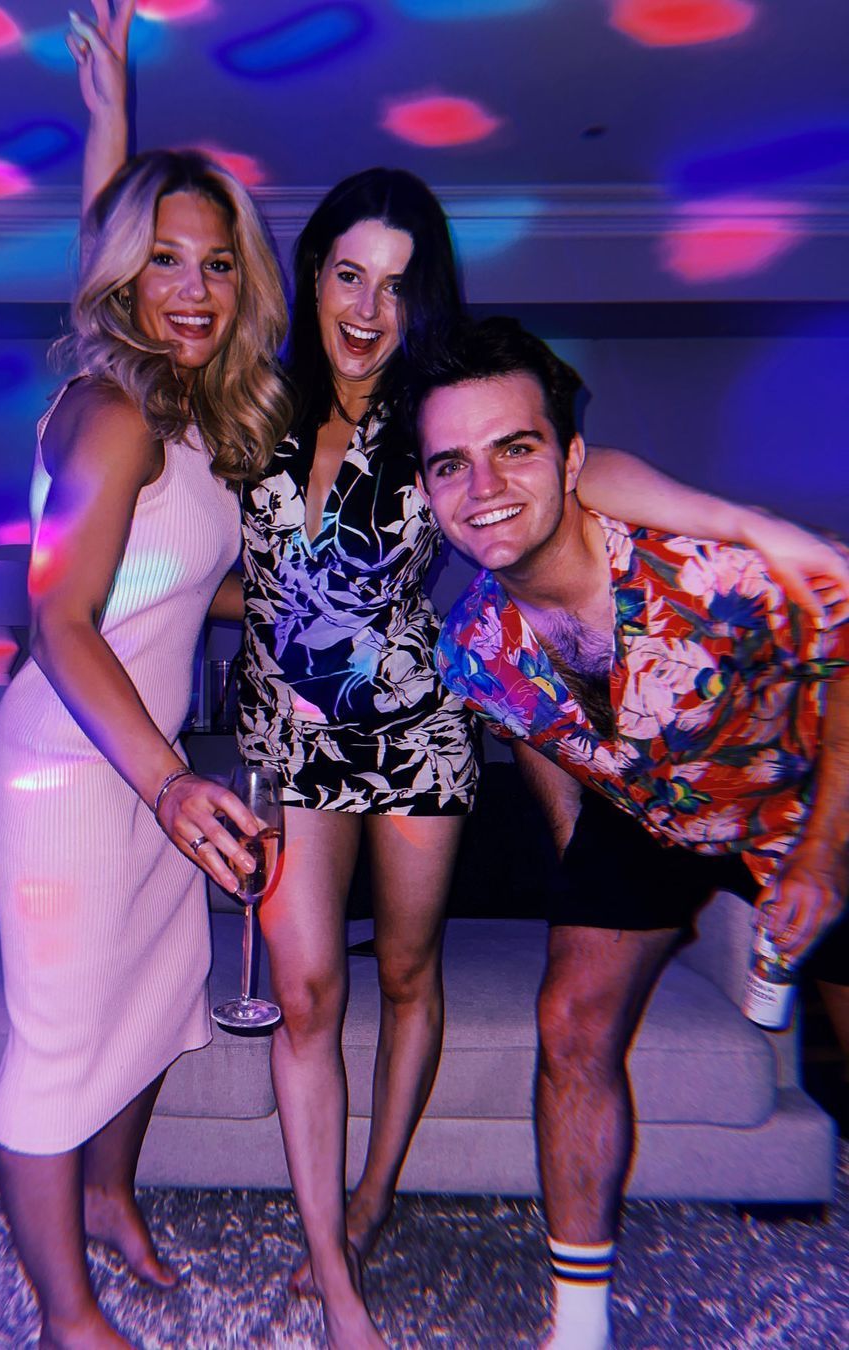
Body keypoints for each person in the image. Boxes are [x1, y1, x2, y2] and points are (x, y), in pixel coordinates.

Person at [68, 9, 849, 1348]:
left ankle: (377, 1188)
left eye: (397, 283)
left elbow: (579, 467)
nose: (369, 309)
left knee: (409, 972)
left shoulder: (437, 408)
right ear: (311, 276)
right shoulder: (249, 399)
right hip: (294, 737)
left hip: (421, 731)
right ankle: (335, 1266)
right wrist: (111, 131)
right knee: (306, 995)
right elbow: (129, 306)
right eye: (347, 275)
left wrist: (740, 522)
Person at [412, 317, 849, 1350]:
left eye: (515, 447)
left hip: (798, 792)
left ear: (572, 461)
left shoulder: (712, 571)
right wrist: (576, 855)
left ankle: (788, 951)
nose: (484, 487)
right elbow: (537, 734)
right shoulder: (470, 647)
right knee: (570, 1020)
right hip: (645, 810)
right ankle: (579, 1327)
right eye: (450, 464)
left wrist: (824, 856)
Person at [0, 145, 291, 1349]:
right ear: (122, 275)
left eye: (218, 263)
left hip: (146, 762)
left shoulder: (186, 416)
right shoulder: (111, 415)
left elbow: (167, 584)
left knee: (162, 995)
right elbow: (62, 615)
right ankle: (67, 1318)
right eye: (163, 260)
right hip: (71, 768)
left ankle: (108, 1197)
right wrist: (168, 784)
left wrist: (293, 600)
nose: (194, 289)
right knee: (59, 1038)